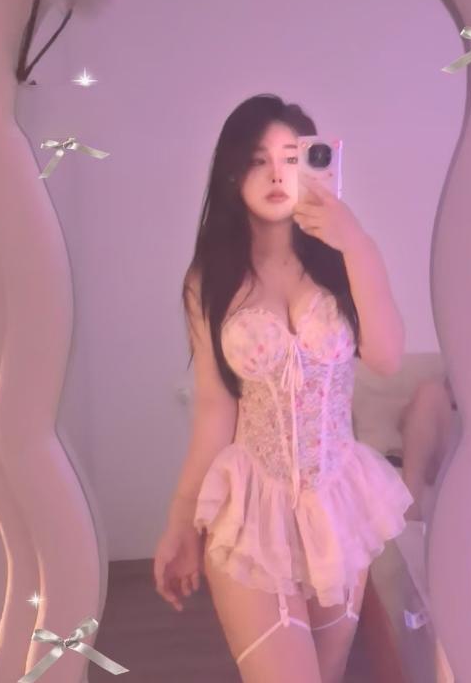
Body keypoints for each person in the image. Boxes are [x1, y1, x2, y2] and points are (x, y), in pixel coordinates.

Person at [153, 93, 414, 683]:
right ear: (231, 173)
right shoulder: (210, 280)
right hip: (252, 506)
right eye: (257, 159)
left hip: (337, 504)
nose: (276, 174)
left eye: (291, 158)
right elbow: (215, 408)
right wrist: (180, 521)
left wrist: (357, 243)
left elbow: (387, 356)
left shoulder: (344, 260)